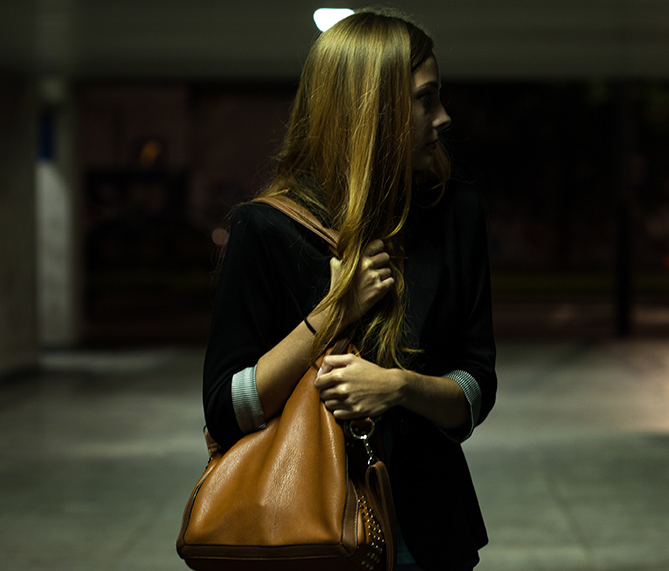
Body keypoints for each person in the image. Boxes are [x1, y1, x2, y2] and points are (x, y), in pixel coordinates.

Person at [201, 9, 496, 571]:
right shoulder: (263, 228)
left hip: (431, 530)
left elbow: (477, 383)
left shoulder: (455, 213)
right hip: (304, 527)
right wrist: (334, 314)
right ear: (372, 111)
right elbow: (226, 409)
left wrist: (400, 387)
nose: (443, 117)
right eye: (425, 99)